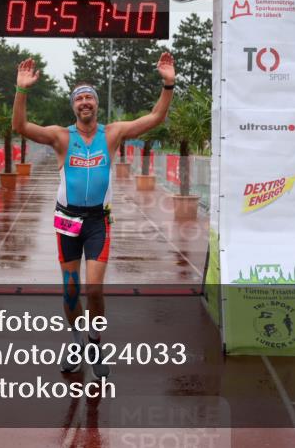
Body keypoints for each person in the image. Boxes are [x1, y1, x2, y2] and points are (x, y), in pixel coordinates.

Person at [12, 52, 176, 377]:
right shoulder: (61, 136)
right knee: (71, 289)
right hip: (67, 221)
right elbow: (19, 126)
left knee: (95, 289)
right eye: (79, 99)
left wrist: (168, 83)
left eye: (89, 98)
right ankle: (76, 341)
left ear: (96, 104)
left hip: (97, 222)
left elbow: (155, 117)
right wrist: (22, 90)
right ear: (73, 106)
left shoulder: (112, 134)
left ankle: (95, 341)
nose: (85, 102)